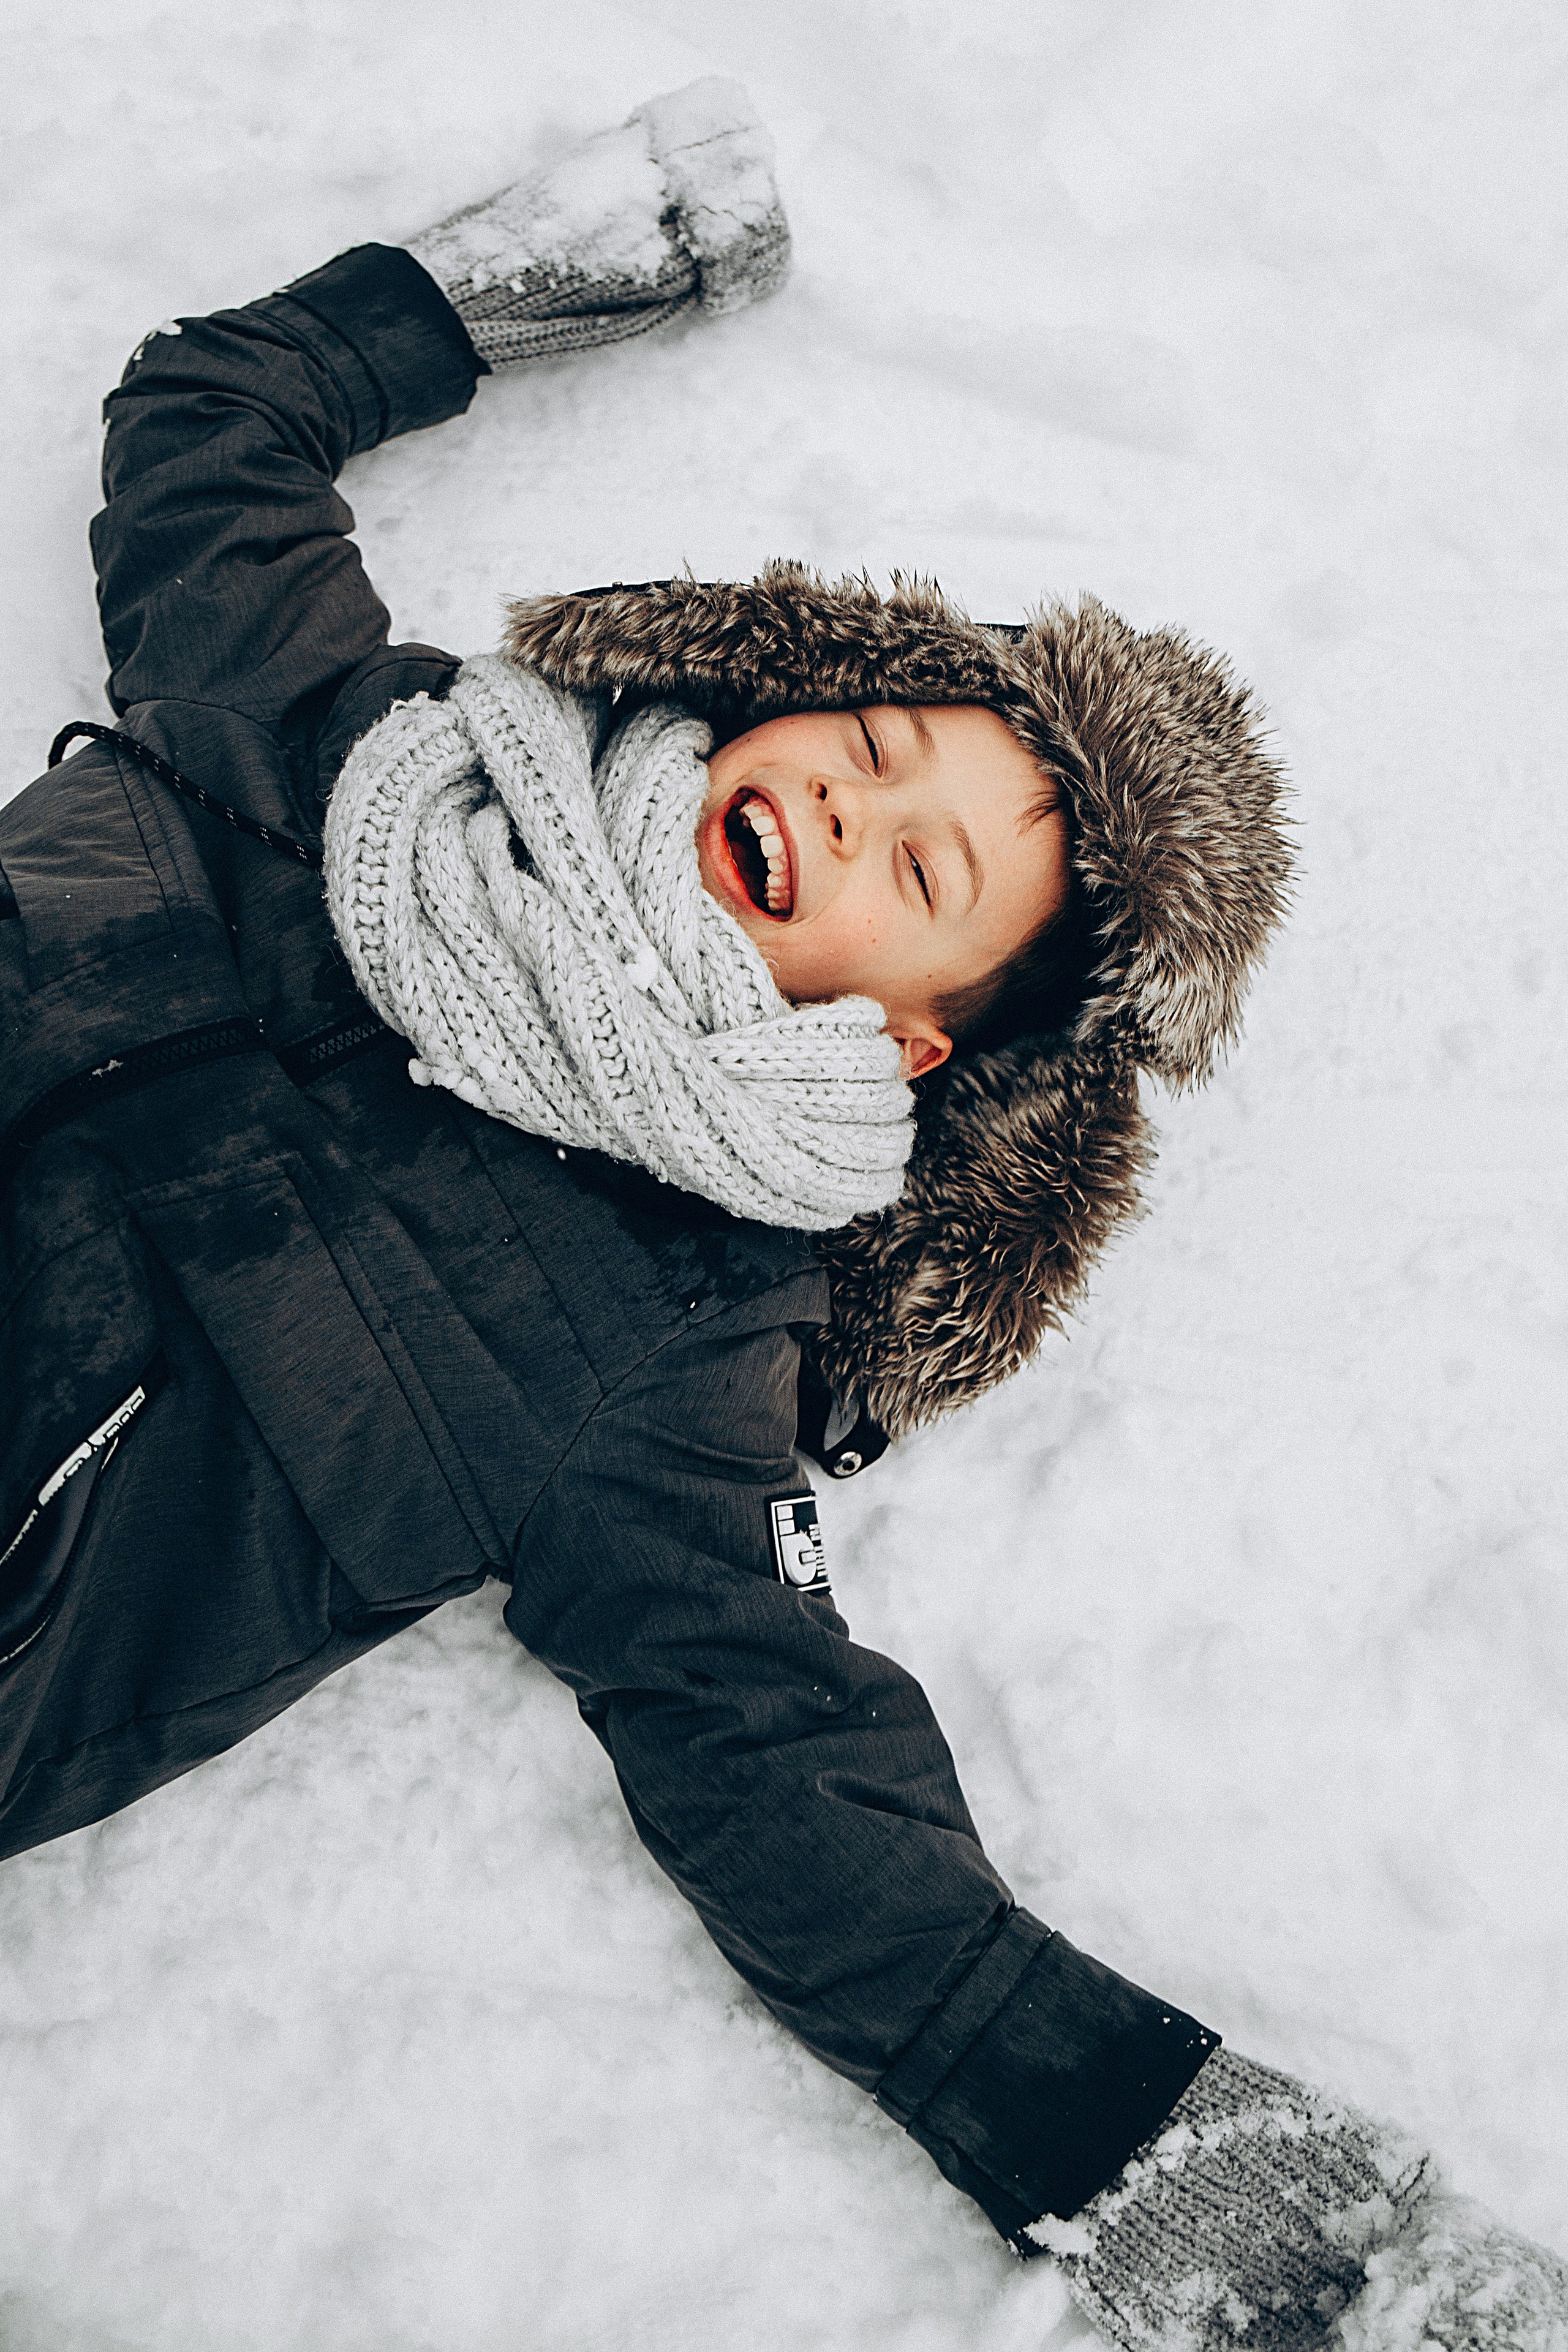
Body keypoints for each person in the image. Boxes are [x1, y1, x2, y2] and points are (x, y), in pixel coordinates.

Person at [1, 77, 1562, 2352]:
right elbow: (212, 411)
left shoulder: (675, 1336)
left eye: (917, 870)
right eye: (873, 750)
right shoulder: (348, 739)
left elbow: (800, 1801)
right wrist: (579, 251)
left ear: (912, 1041)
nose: (846, 808)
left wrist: (1327, 2273)